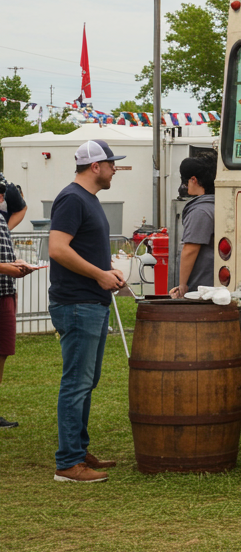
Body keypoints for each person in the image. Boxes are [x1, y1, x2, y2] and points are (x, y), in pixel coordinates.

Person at [49, 140, 128, 483]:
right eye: (111, 163)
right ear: (95, 166)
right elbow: (57, 249)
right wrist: (99, 275)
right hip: (78, 303)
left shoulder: (88, 200)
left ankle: (78, 451)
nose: (115, 169)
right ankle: (68, 463)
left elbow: (78, 248)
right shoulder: (72, 198)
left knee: (87, 381)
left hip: (91, 302)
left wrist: (108, 269)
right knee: (76, 384)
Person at [0, 173, 34, 429]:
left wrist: (13, 266)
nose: (2, 197)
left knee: (2, 351)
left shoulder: (2, 218)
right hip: (4, 281)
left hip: (4, 291)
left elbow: (20, 206)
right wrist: (6, 268)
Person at [169, 155, 216, 299]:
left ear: (193, 180)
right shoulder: (217, 204)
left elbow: (190, 249)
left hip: (201, 288)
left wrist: (182, 284)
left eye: (186, 180)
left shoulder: (200, 211)